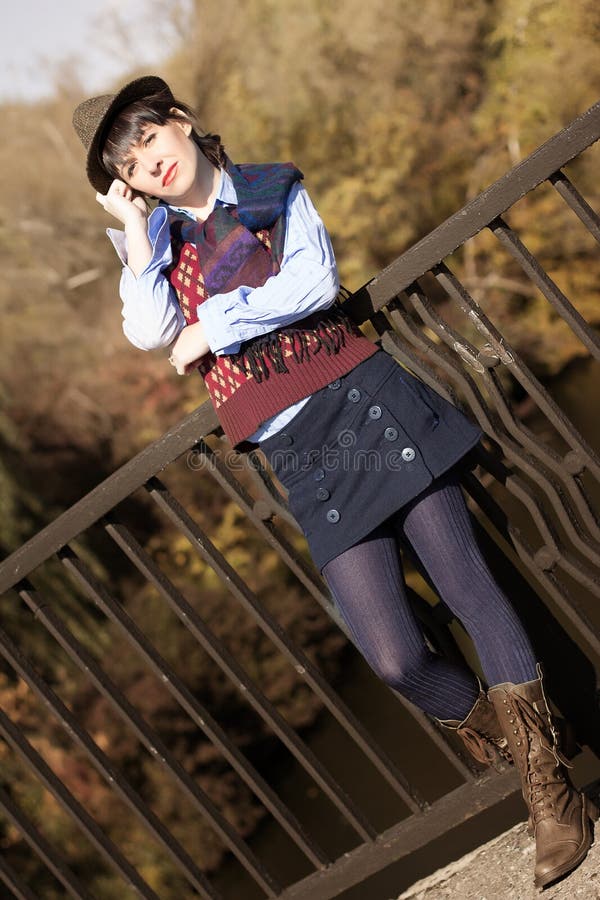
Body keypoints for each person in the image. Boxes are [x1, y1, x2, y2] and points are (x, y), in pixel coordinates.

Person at [73, 75, 596, 889]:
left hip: (360, 399)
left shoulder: (268, 187)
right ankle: (539, 741)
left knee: (468, 587)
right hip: (300, 454)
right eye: (129, 166)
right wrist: (136, 235)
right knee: (392, 656)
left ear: (180, 122)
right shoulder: (162, 247)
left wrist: (218, 326)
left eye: (148, 139)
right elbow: (148, 331)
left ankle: (549, 791)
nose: (148, 165)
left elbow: (313, 285)